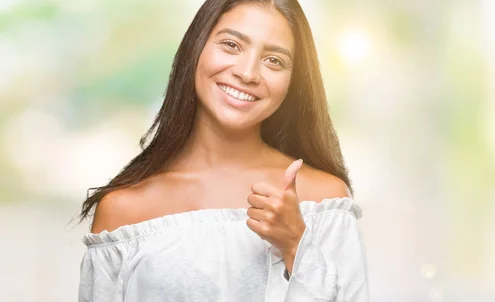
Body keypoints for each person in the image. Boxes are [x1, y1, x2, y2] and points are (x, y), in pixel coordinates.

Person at [77, 0, 368, 301]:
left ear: (293, 82)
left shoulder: (323, 200)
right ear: (196, 47)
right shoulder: (124, 210)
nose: (247, 73)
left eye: (274, 61)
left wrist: (296, 244)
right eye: (231, 45)